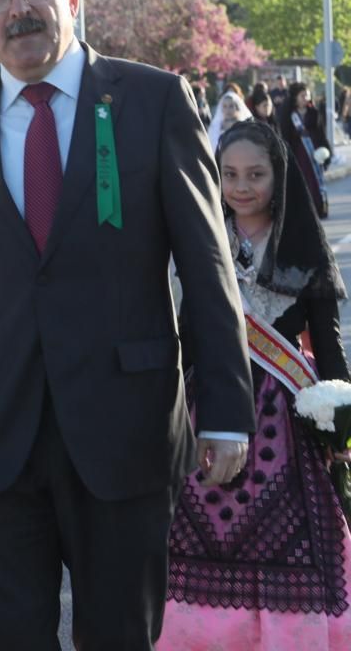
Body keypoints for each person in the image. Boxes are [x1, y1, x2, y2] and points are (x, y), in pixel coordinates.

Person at [0, 0, 255, 650]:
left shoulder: (152, 100)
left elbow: (205, 264)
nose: (19, 6)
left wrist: (223, 408)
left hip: (123, 432)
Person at [162, 119, 351, 649]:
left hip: (286, 416)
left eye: (256, 174)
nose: (242, 186)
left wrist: (340, 421)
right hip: (210, 408)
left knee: (293, 542)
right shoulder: (204, 237)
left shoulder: (303, 247)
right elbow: (187, 329)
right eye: (230, 174)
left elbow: (329, 342)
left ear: (279, 176)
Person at [279, 81, 330, 218]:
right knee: (303, 180)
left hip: (313, 151)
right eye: (302, 95)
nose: (306, 98)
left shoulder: (314, 113)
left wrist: (325, 150)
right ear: (295, 97)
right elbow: (285, 135)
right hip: (298, 152)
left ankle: (319, 207)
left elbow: (321, 133)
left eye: (307, 95)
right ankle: (303, 210)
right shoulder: (289, 115)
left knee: (316, 180)